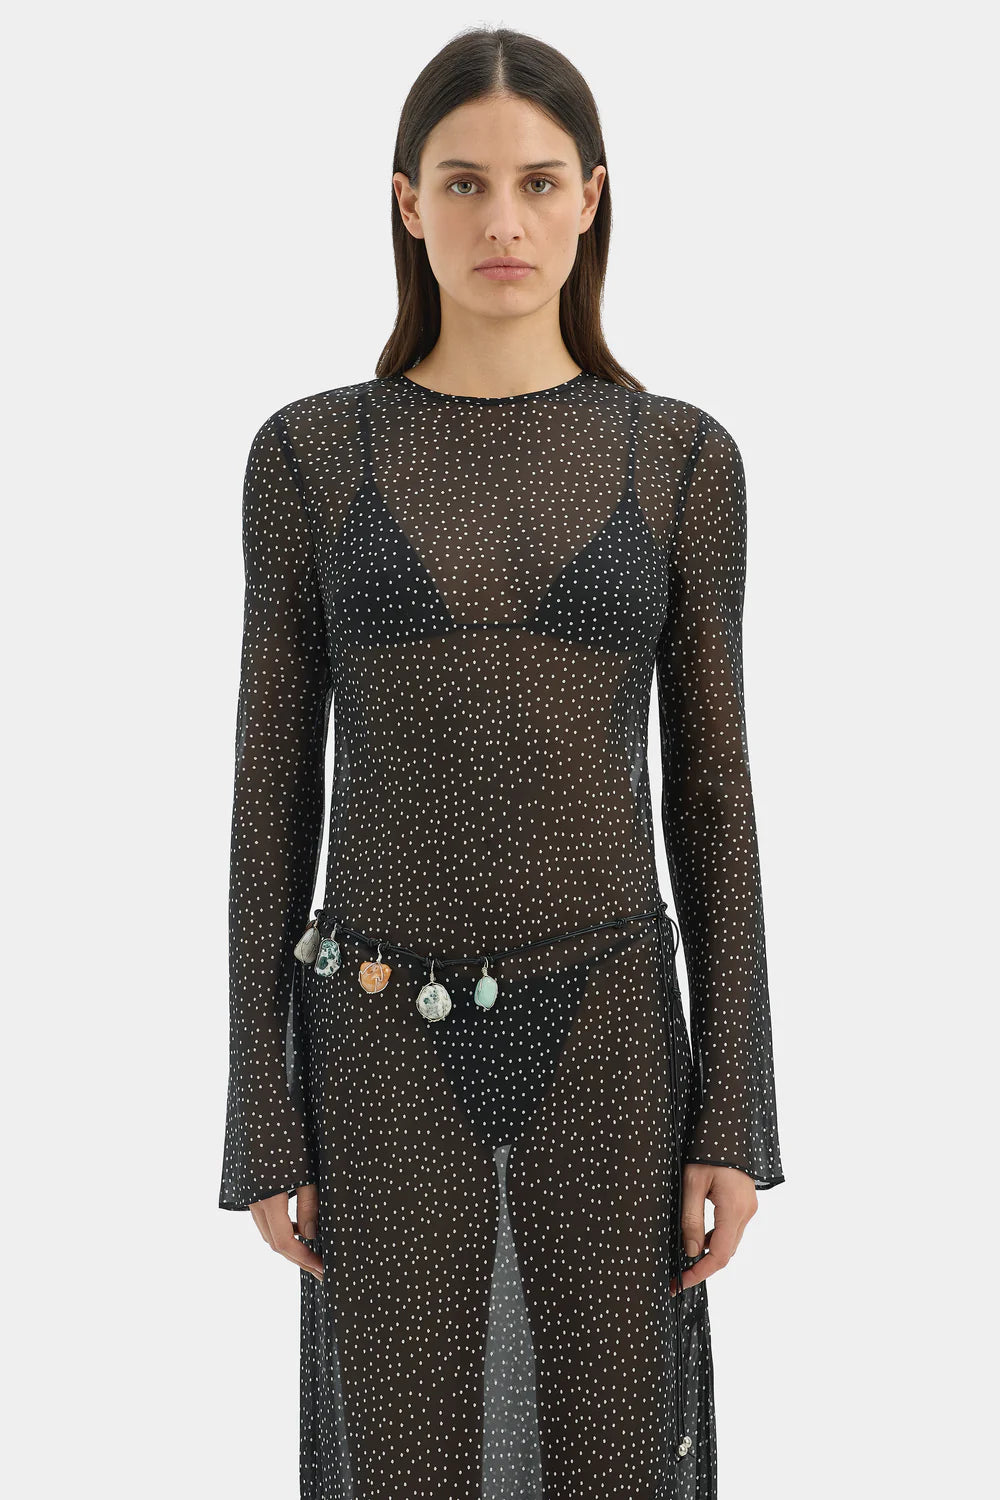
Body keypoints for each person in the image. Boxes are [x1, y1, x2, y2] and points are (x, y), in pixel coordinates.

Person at [219, 25, 784, 1499]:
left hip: (611, 1032)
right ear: (407, 202)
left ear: (592, 198)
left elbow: (713, 800)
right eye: (464, 183)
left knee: (613, 1458)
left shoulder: (680, 459)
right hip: (376, 1034)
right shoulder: (309, 457)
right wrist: (260, 1111)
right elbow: (270, 798)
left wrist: (736, 1110)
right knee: (400, 1460)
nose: (503, 221)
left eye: (537, 182)